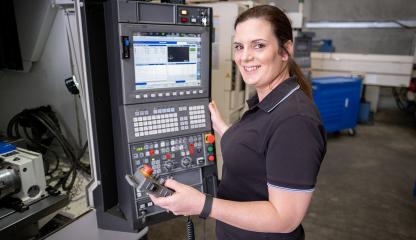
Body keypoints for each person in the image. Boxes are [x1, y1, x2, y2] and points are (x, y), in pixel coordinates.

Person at [149, 5, 326, 240]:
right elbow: (258, 149)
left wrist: (203, 205)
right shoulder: (266, 103)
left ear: (285, 51)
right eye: (239, 46)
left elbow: (284, 219)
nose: (245, 57)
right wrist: (222, 127)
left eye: (259, 45)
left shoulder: (295, 122)